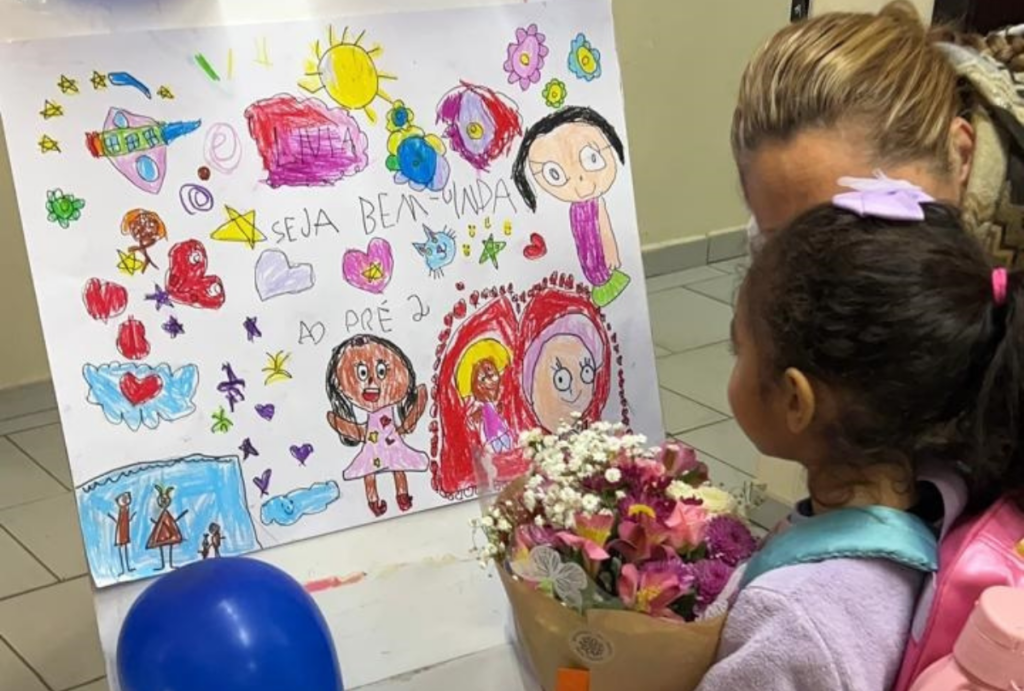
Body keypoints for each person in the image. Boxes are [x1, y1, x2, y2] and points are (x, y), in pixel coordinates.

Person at [696, 183, 1024, 689]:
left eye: (739, 348)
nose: (735, 362)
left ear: (795, 401)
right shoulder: (947, 491)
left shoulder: (794, 619)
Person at [734, 1, 1024, 264]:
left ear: (962, 154)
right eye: (783, 244)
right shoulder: (777, 227)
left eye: (865, 236)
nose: (817, 277)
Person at [325, 334, 429, 517]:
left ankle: (402, 495)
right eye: (362, 374)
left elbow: (415, 409)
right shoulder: (368, 416)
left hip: (392, 440)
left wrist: (407, 423)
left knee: (398, 463)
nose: (372, 382)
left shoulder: (393, 406)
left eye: (381, 372)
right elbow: (360, 432)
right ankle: (373, 501)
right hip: (373, 445)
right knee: (369, 469)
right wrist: (341, 424)